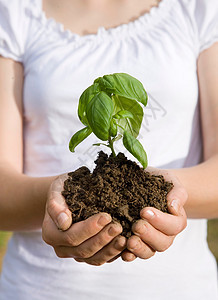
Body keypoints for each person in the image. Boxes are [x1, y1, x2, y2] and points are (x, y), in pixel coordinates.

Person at [0, 0, 217, 299]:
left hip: (180, 289)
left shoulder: (198, 8)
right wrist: (57, 201)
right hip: (39, 289)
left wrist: (168, 193)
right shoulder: (14, 12)